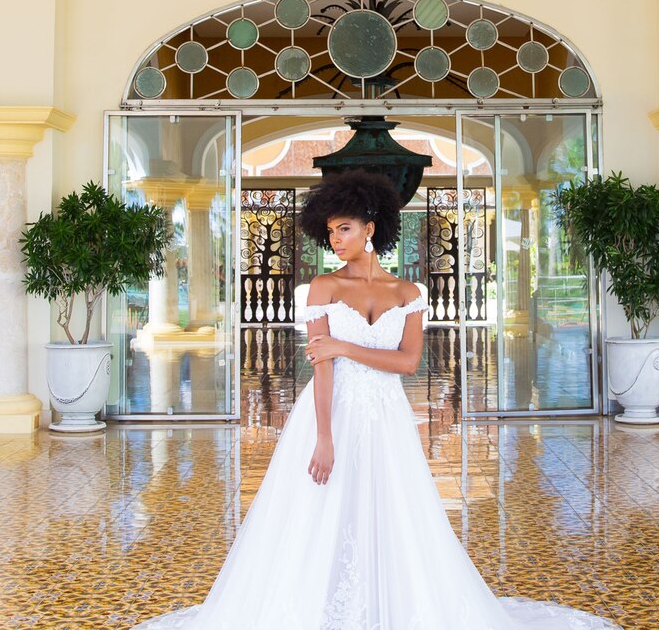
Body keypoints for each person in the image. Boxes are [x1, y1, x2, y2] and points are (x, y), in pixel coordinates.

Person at [134, 171, 618, 630]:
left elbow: (408, 363)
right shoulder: (322, 288)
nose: (336, 240)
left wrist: (345, 346)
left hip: (386, 415)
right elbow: (321, 370)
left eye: (344, 228)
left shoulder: (408, 293)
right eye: (330, 231)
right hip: (332, 411)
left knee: (393, 508)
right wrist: (323, 436)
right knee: (320, 509)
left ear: (371, 227)